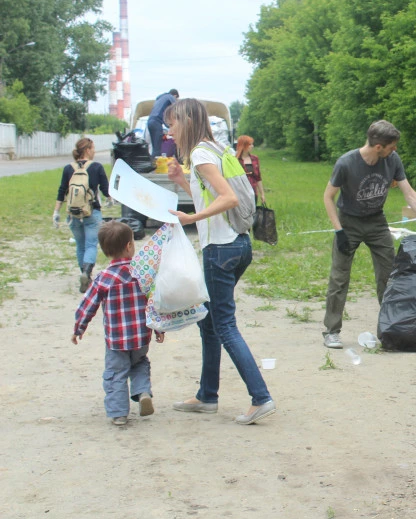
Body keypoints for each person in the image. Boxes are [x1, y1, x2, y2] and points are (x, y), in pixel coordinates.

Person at [165, 98, 275, 425]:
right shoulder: (218, 149)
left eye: (172, 123)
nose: (169, 130)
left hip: (220, 251)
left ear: (185, 121)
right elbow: (211, 192)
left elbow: (229, 198)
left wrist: (191, 219)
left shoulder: (200, 153)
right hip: (239, 246)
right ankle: (206, 396)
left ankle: (261, 397)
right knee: (209, 321)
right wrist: (181, 183)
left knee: (223, 325)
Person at [322, 119, 416, 349]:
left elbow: (409, 193)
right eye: (392, 146)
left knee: (389, 276)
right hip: (348, 222)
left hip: (377, 223)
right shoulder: (346, 163)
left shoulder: (392, 160)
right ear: (378, 146)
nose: (395, 150)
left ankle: (392, 329)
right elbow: (328, 197)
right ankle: (331, 331)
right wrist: (338, 230)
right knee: (339, 278)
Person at [71, 220, 165, 426]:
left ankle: (119, 413)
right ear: (129, 246)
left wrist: (79, 327)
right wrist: (159, 327)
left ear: (105, 250)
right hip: (141, 336)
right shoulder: (143, 274)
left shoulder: (104, 278)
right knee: (140, 363)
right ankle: (142, 393)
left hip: (116, 340)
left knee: (116, 373)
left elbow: (88, 305)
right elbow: (154, 302)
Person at [53, 138, 110, 293]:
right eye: (93, 148)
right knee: (91, 244)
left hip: (73, 214)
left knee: (80, 244)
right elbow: (106, 190)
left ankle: (83, 273)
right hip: (92, 212)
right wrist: (110, 200)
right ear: (87, 150)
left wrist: (56, 211)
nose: (94, 151)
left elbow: (61, 191)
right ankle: (87, 272)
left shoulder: (68, 168)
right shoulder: (97, 167)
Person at [146, 88, 179, 157]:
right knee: (158, 149)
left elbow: (163, 116)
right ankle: (156, 166)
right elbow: (177, 108)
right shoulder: (170, 97)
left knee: (155, 147)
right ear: (175, 96)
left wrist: (168, 127)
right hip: (156, 122)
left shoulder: (160, 98)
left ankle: (153, 163)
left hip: (150, 122)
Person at [235, 135, 266, 205]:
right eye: (250, 144)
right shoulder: (235, 160)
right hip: (240, 193)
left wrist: (262, 194)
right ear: (243, 145)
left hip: (253, 191)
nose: (252, 146)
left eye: (252, 144)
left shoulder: (255, 158)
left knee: (252, 213)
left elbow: (258, 177)